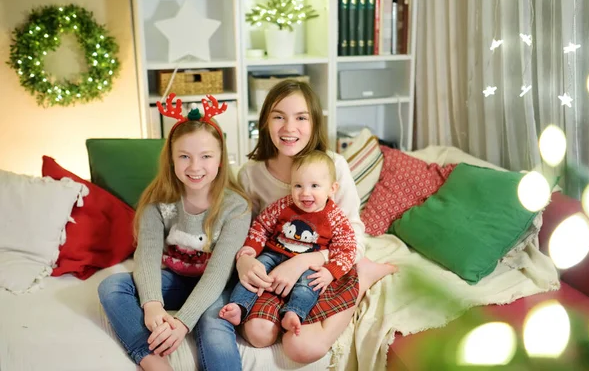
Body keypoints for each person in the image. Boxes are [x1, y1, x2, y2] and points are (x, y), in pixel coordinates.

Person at [196, 80, 397, 367]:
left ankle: (364, 277)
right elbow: (249, 232)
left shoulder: (333, 165)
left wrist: (306, 262)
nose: (289, 128)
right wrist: (244, 260)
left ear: (315, 123)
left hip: (324, 266)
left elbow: (354, 237)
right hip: (276, 265)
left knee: (300, 347)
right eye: (279, 116)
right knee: (257, 333)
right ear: (265, 121)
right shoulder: (251, 175)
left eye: (301, 117)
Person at [98, 94, 251, 371]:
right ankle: (153, 361)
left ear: (220, 160)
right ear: (171, 160)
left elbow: (218, 273)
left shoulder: (236, 207)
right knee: (112, 286)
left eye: (206, 156)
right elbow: (146, 257)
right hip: (176, 282)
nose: (195, 167)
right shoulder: (157, 202)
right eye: (184, 156)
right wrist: (153, 305)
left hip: (217, 288)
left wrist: (182, 322)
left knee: (213, 326)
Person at [219, 151, 357, 336]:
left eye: (315, 186)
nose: (305, 193)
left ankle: (294, 312)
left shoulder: (334, 217)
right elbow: (261, 225)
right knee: (255, 272)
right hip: (274, 253)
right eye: (298, 186)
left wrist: (331, 272)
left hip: (308, 264)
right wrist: (251, 248)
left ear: (332, 189)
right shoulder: (283, 206)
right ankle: (238, 306)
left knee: (310, 284)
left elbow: (347, 247)